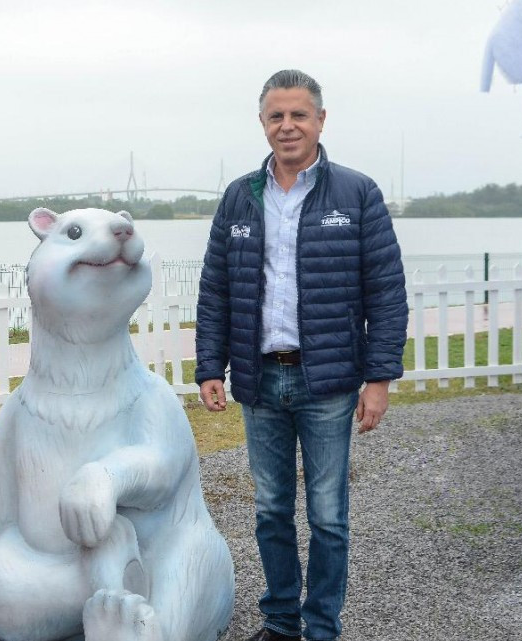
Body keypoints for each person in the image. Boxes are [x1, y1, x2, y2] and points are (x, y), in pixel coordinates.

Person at [194, 69, 408, 641]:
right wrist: (210, 366)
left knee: (328, 517)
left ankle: (321, 628)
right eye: (276, 116)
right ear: (262, 123)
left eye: (298, 115)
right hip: (260, 381)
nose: (287, 126)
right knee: (269, 511)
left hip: (329, 383)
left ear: (320, 120)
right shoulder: (240, 196)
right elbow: (215, 287)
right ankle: (281, 622)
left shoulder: (356, 193)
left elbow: (386, 292)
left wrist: (380, 377)